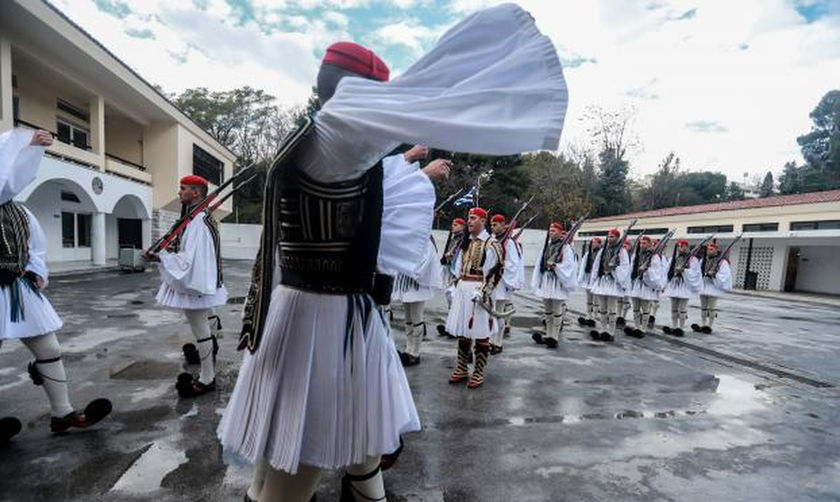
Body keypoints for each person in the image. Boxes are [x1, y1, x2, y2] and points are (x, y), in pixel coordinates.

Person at [218, 4, 568, 500]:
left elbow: (367, 176)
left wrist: (413, 166)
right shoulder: (340, 131)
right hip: (326, 315)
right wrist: (514, 62)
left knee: (344, 435)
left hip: (308, 307)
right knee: (304, 449)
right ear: (357, 94)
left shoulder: (314, 136)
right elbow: (426, 93)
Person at [0, 128, 111, 436]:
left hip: (19, 288)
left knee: (48, 346)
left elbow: (36, 246)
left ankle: (62, 413)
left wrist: (36, 272)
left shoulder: (19, 212)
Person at [145, 175, 228, 398]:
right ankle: (209, 351)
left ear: (196, 193)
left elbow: (188, 262)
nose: (179, 192)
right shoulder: (197, 217)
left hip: (195, 283)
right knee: (206, 323)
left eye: (183, 189)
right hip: (201, 281)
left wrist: (160, 256)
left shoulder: (198, 222)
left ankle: (207, 378)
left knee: (200, 329)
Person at [389, 148, 451, 366]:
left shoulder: (426, 240)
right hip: (407, 281)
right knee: (407, 317)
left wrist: (411, 270)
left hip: (416, 281)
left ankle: (415, 351)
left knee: (416, 318)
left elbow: (426, 260)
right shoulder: (412, 234)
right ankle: (408, 348)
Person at [445, 207, 503, 388]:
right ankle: (462, 367)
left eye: (473, 218)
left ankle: (478, 372)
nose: (469, 221)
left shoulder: (491, 244)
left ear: (482, 221)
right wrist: (456, 283)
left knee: (480, 333)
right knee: (464, 331)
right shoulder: (466, 241)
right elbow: (459, 266)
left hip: (478, 291)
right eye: (468, 218)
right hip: (463, 289)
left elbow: (496, 270)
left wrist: (484, 291)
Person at [531, 222, 577, 348]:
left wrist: (556, 266)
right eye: (550, 230)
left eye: (554, 231)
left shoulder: (565, 248)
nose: (551, 233)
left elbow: (569, 266)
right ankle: (548, 334)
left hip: (557, 282)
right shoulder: (547, 246)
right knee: (547, 311)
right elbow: (540, 263)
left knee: (556, 310)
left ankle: (554, 336)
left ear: (560, 232)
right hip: (547, 280)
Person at [587, 228, 630, 342]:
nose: (609, 239)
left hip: (613, 281)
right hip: (603, 281)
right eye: (608, 236)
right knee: (603, 308)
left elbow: (625, 267)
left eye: (612, 237)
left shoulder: (622, 251)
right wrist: (594, 280)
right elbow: (597, 265)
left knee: (612, 308)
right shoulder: (603, 250)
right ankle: (603, 329)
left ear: (617, 238)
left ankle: (611, 331)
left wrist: (615, 269)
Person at [489, 213, 523, 354]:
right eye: (491, 225)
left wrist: (501, 264)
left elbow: (514, 263)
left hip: (501, 282)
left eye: (495, 225)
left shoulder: (509, 242)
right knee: (491, 313)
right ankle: (491, 339)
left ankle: (498, 342)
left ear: (503, 225)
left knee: (499, 313)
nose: (492, 227)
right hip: (491, 281)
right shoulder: (492, 240)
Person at [624, 236, 666, 338]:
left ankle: (643, 328)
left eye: (644, 243)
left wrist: (647, 270)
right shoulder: (636, 255)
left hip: (646, 284)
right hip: (636, 283)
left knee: (645, 308)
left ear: (649, 244)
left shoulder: (654, 257)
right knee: (636, 308)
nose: (642, 245)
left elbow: (656, 271)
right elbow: (630, 268)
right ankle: (637, 326)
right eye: (641, 243)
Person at [662, 239, 702, 337]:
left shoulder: (692, 259)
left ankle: (681, 327)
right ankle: (675, 326)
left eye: (684, 246)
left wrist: (684, 270)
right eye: (680, 246)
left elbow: (696, 272)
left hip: (684, 284)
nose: (682, 248)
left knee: (682, 308)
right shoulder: (674, 258)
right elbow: (667, 270)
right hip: (674, 284)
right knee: (674, 308)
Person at [692, 242, 732, 334]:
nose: (709, 251)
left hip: (713, 285)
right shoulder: (703, 260)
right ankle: (703, 324)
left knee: (712, 307)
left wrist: (714, 274)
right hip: (704, 284)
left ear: (716, 250)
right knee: (703, 307)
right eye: (708, 249)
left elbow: (724, 274)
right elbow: (698, 270)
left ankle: (709, 325)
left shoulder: (720, 261)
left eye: (711, 249)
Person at [437, 217, 466, 339]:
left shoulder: (463, 239)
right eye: (452, 224)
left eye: (456, 224)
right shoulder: (454, 237)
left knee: (455, 298)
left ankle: (457, 327)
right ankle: (451, 325)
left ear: (462, 227)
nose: (453, 226)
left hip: (457, 271)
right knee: (449, 297)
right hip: (449, 269)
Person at [577, 237, 602, 327]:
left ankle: (594, 317)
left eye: (595, 243)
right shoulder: (588, 254)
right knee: (589, 298)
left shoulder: (601, 253)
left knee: (596, 299)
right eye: (592, 243)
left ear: (599, 244)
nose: (593, 244)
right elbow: (583, 265)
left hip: (596, 277)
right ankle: (588, 315)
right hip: (588, 277)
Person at [616, 239, 633, 326]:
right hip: (620, 279)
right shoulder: (620, 255)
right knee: (619, 300)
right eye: (624, 245)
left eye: (627, 245)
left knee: (626, 301)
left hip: (628, 281)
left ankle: (623, 316)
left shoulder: (632, 257)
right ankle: (618, 316)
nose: (625, 247)